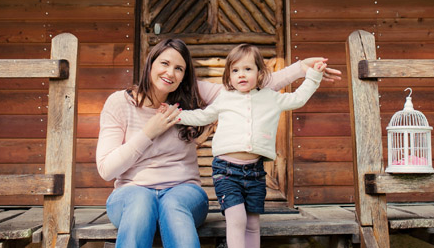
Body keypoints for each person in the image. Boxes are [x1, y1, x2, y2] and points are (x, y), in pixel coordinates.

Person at [96, 38, 340, 248]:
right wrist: (149, 132)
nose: (170, 73)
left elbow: (251, 88)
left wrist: (301, 69)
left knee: (174, 206)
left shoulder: (193, 94)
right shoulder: (119, 103)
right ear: (150, 64)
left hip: (182, 190)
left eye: (179, 69)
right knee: (140, 203)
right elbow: (107, 170)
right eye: (164, 64)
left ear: (185, 76)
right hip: (130, 193)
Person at [176, 43, 325, 248]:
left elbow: (298, 99)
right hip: (226, 171)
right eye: (235, 70)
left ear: (260, 73)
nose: (241, 75)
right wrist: (176, 115)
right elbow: (202, 116)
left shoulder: (271, 97)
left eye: (248, 69)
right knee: (237, 219)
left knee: (253, 223)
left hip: (255, 172)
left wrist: (313, 76)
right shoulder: (225, 98)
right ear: (228, 76)